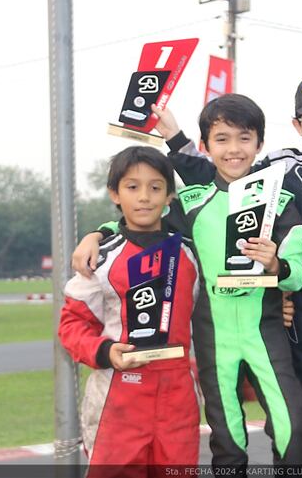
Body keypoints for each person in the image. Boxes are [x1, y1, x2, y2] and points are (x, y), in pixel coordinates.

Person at [129, 72, 302, 469]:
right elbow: (217, 176)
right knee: (288, 425)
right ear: (297, 125)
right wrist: (175, 140)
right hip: (290, 318)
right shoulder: (276, 170)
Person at [75, 94, 302, 470]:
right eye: (222, 139)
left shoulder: (280, 201)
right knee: (227, 438)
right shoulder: (191, 200)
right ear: (206, 147)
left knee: (293, 429)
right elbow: (141, 223)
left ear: (259, 144)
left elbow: (297, 273)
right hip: (211, 337)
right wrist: (96, 234)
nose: (234, 149)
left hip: (265, 333)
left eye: (244, 138)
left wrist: (276, 265)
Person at [58, 146, 203, 477]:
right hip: (118, 397)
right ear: (115, 194)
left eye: (155, 187)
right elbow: (71, 325)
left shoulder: (191, 255)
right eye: (132, 187)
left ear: (169, 197)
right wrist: (106, 351)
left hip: (178, 396)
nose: (144, 197)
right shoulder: (101, 258)